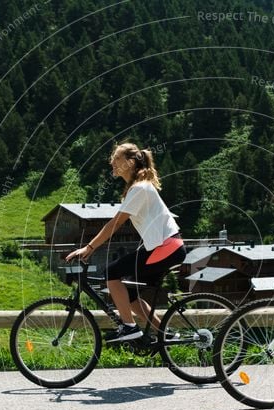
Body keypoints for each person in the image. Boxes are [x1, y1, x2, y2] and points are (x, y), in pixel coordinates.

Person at [66, 142, 186, 342]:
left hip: (166, 248)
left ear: (130, 162)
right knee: (128, 297)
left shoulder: (139, 188)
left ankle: (129, 327)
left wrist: (89, 247)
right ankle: (165, 335)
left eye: (117, 158)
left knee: (111, 273)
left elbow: (115, 224)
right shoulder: (137, 188)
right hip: (165, 247)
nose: (112, 162)